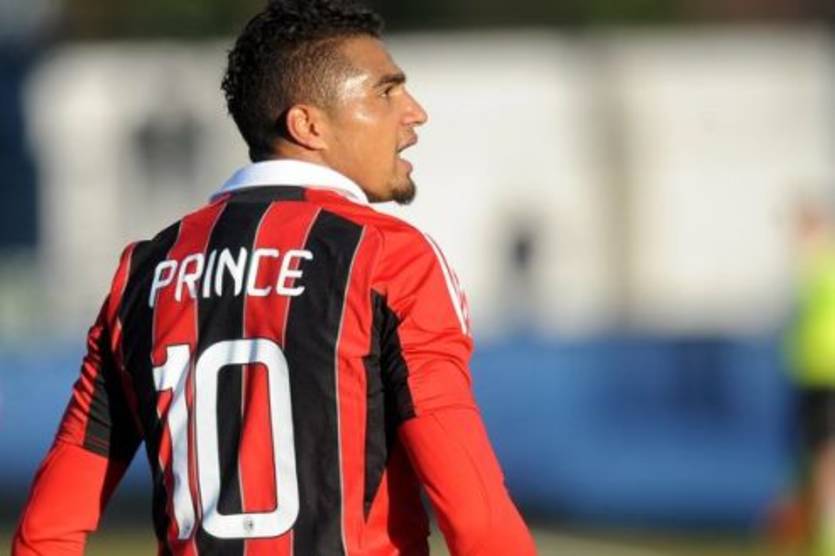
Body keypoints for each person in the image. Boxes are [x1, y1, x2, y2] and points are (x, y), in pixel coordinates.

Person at [12, 1, 537, 554]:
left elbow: (47, 531)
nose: (415, 112)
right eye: (386, 92)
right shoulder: (388, 258)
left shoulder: (143, 272)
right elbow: (475, 513)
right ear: (308, 125)